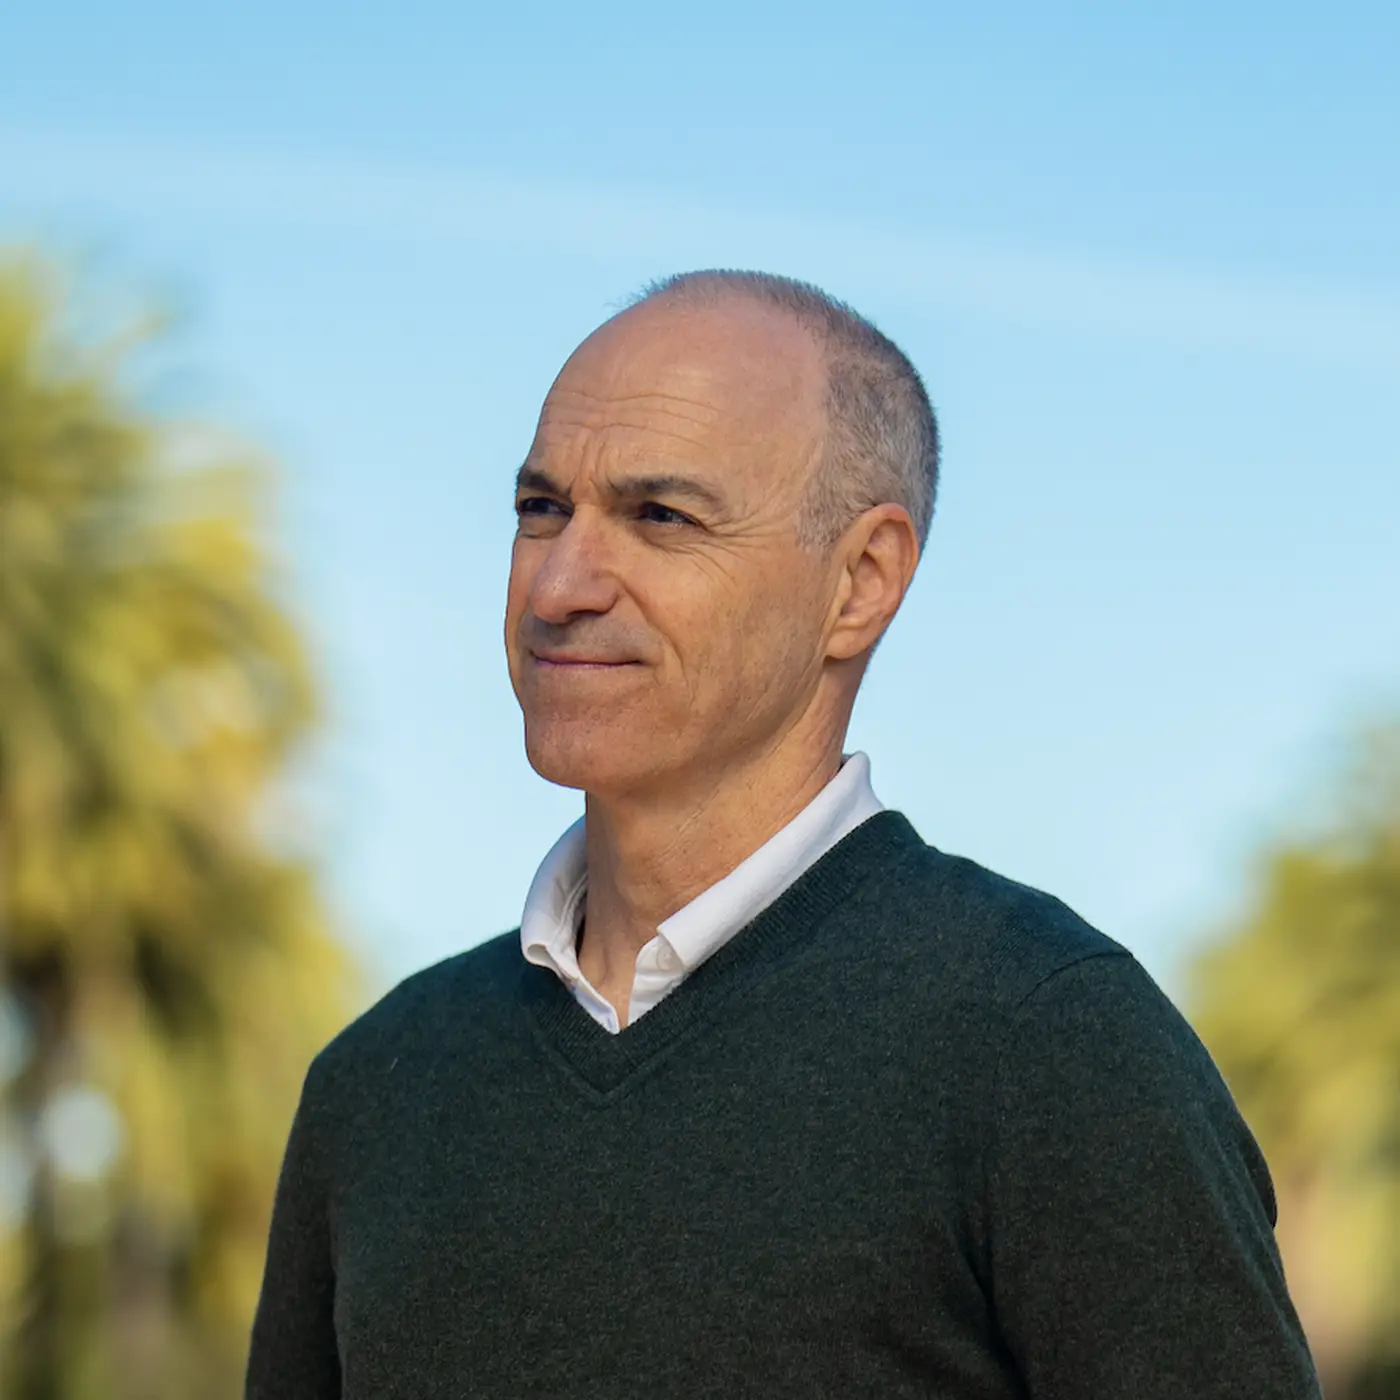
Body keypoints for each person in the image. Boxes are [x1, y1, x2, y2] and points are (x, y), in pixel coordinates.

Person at [245, 270, 1321, 1399]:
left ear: (860, 581)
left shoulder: (1045, 1039)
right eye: (539, 509)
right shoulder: (377, 1085)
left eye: (659, 517)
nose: (558, 581)